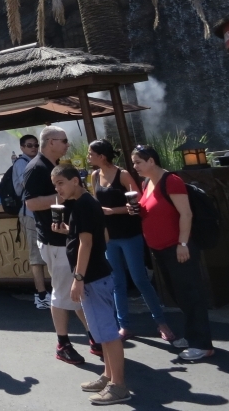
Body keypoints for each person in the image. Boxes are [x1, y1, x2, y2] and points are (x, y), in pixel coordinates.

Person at [51, 164, 130, 405]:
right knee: (100, 331)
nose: (58, 189)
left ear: (75, 180)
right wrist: (68, 232)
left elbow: (86, 243)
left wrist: (78, 278)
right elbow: (86, 238)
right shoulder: (83, 204)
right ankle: (108, 375)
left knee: (107, 333)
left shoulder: (84, 205)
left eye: (61, 183)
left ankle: (119, 386)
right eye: (55, 185)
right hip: (96, 275)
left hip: (93, 277)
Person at [130, 145, 213, 362]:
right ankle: (193, 335)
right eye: (134, 162)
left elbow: (186, 213)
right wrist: (136, 210)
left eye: (138, 162)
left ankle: (202, 345)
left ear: (151, 161)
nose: (135, 166)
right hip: (160, 249)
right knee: (178, 295)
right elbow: (151, 210)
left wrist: (183, 243)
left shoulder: (171, 181)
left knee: (190, 294)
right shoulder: (147, 183)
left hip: (177, 248)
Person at [88, 139, 175, 343]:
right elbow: (96, 203)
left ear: (102, 156)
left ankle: (161, 322)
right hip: (110, 236)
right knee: (117, 282)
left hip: (129, 233)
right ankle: (124, 326)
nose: (88, 157)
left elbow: (138, 204)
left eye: (91, 154)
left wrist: (113, 211)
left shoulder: (123, 174)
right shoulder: (94, 176)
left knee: (139, 279)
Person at [22, 125, 95, 363]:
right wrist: (65, 194)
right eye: (64, 140)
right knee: (64, 292)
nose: (67, 144)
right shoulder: (36, 168)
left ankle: (95, 335)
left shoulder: (56, 166)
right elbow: (31, 204)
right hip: (55, 241)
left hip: (67, 238)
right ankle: (63, 344)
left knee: (76, 292)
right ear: (51, 142)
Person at [14, 133, 50, 309]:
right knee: (36, 256)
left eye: (36, 145)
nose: (33, 148)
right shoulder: (22, 164)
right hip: (29, 213)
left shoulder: (39, 161)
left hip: (40, 212)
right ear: (22, 147)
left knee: (48, 252)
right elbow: (27, 185)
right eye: (29, 146)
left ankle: (50, 292)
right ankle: (41, 294)